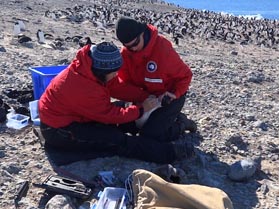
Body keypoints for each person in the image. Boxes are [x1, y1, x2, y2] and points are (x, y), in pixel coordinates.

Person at [38, 41, 194, 164]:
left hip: (77, 114)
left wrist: (146, 96)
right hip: (59, 130)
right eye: (113, 73)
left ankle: (176, 125)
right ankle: (171, 152)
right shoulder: (83, 87)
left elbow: (116, 87)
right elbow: (109, 115)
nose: (115, 75)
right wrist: (140, 109)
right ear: (102, 72)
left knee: (125, 113)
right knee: (118, 140)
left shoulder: (90, 67)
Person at [111, 16, 197, 142]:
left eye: (135, 43)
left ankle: (182, 123)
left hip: (169, 97)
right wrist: (141, 100)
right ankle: (162, 118)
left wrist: (174, 94)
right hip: (145, 98)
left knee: (151, 135)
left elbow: (186, 75)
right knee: (126, 126)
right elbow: (125, 84)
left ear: (142, 33)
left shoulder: (162, 49)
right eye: (129, 47)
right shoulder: (125, 55)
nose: (133, 49)